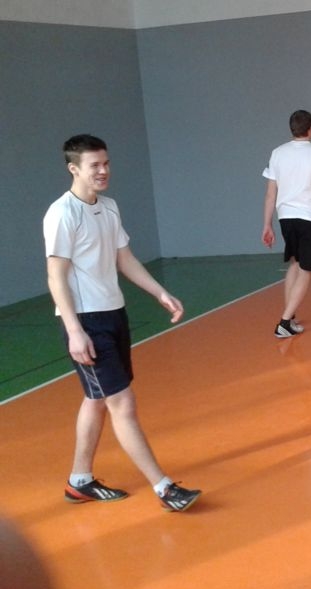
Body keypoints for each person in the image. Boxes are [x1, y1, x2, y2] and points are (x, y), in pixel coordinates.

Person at [43, 134, 201, 512]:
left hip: (114, 313)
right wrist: (75, 331)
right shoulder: (62, 213)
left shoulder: (109, 207)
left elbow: (124, 259)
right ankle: (164, 488)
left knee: (97, 399)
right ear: (74, 169)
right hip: (86, 322)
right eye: (94, 165)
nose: (103, 171)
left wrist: (159, 292)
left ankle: (80, 482)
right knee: (122, 402)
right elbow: (55, 276)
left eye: (106, 163)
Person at [262, 110, 311, 338]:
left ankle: (291, 317)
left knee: (295, 264)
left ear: (292, 129)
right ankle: (284, 323)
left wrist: (267, 224)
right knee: (307, 269)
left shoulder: (277, 153)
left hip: (286, 218)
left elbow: (270, 194)